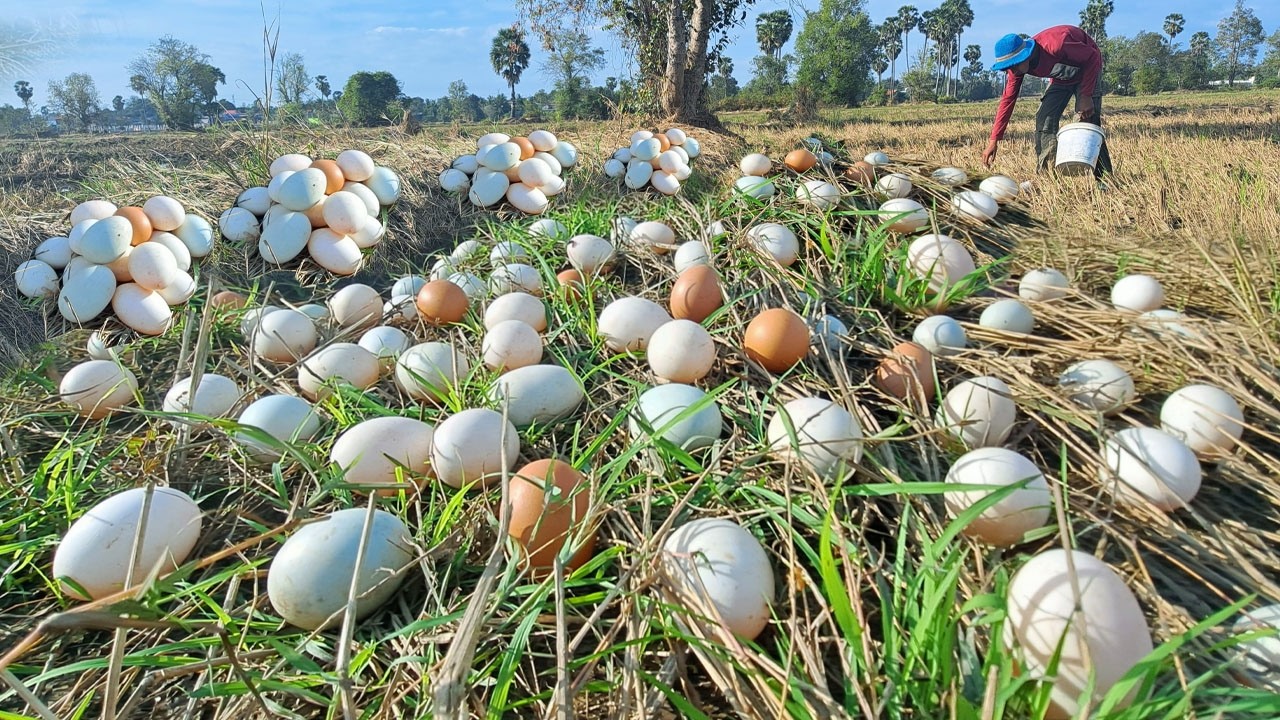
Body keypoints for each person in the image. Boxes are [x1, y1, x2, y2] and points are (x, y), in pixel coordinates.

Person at [982, 25, 1113, 178]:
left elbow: (1093, 57)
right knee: (1044, 119)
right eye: (1006, 68)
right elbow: (1007, 100)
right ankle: (1047, 176)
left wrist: (1086, 95)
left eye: (1012, 65)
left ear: (1025, 55)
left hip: (1087, 71)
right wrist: (994, 139)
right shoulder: (1016, 70)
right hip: (1061, 79)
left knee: (1087, 123)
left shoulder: (1056, 45)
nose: (1010, 71)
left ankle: (1104, 178)